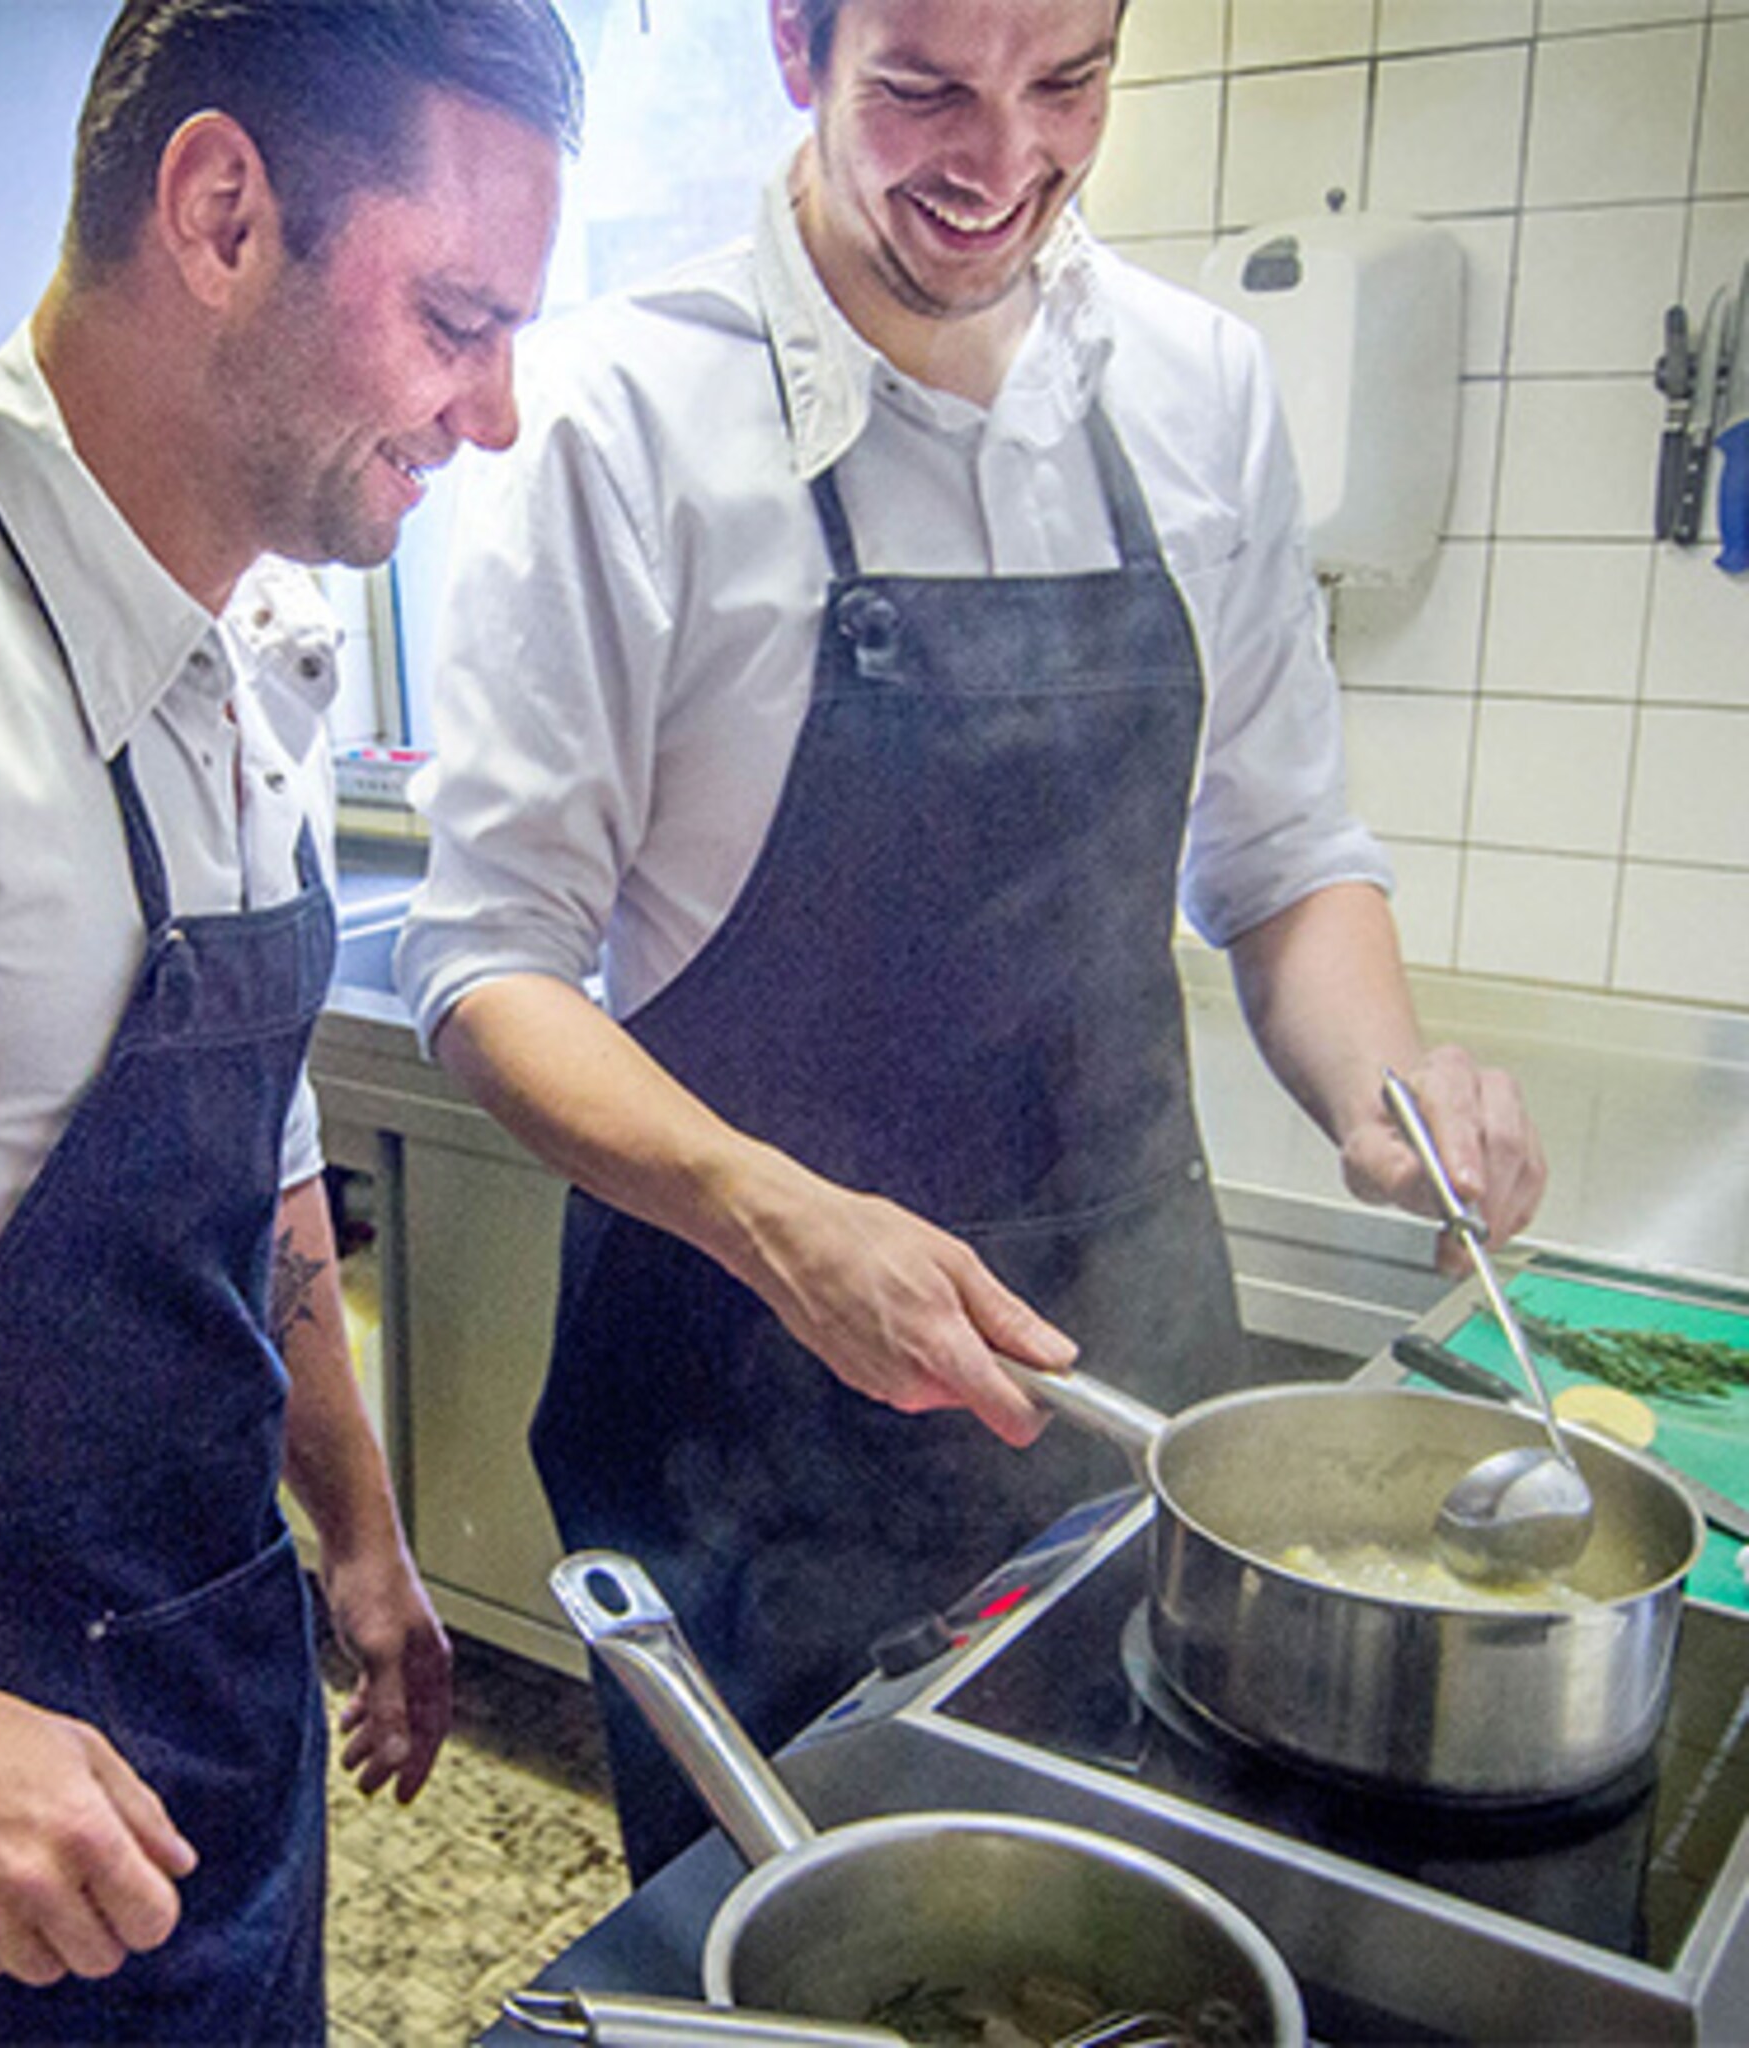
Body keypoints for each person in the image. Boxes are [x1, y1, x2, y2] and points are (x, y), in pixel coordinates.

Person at [395, 0, 1546, 1881]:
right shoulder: (624, 415)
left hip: (1123, 1372)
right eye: (922, 89)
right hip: (738, 1411)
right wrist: (784, 1222)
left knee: (1118, 1927)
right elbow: (488, 963)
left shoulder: (1197, 392)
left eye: (1068, 85)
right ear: (797, 45)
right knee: (809, 1961)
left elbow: (1283, 855)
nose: (1002, 164)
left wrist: (1387, 1079)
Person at [0, 0, 579, 2038]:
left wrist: (357, 1527)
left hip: (212, 1696)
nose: (499, 407)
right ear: (216, 211)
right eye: (457, 314)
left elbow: (242, 1144)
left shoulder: (261, 636)